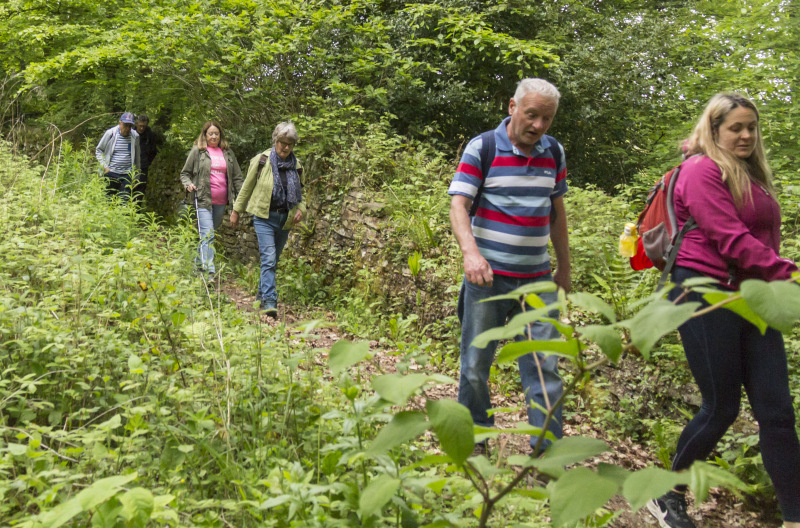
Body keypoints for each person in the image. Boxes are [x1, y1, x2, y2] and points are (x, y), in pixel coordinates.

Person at [647, 93, 800, 528]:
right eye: (736, 127)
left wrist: (776, 277)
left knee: (777, 412)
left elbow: (763, 242)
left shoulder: (753, 176)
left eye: (752, 127)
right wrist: (790, 274)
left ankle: (794, 516)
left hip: (753, 297)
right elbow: (730, 239)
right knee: (721, 406)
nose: (746, 135)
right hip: (704, 293)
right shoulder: (700, 170)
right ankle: (667, 491)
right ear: (714, 130)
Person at [448, 78, 570, 455]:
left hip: (537, 281)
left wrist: (564, 267)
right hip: (488, 279)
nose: (538, 125)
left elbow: (556, 211)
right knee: (474, 363)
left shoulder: (554, 152)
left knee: (544, 367)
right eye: (532, 115)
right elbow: (458, 205)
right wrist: (471, 253)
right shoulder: (482, 147)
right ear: (512, 107)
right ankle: (476, 436)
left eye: (546, 119)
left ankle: (547, 455)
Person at [230, 122, 305, 318]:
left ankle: (261, 297)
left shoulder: (297, 166)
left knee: (272, 261)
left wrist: (301, 209)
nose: (286, 147)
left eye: (290, 144)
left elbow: (301, 194)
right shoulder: (261, 161)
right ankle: (270, 303)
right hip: (263, 216)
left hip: (285, 219)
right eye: (282, 142)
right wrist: (236, 210)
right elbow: (246, 187)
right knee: (269, 258)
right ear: (275, 141)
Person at [179, 121, 243, 276]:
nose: (214, 136)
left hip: (221, 201)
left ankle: (197, 266)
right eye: (210, 134)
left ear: (220, 135)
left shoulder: (227, 153)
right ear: (205, 135)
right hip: (202, 199)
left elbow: (237, 178)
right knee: (208, 235)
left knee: (207, 235)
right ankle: (209, 272)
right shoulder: (198, 152)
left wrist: (241, 199)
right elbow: (184, 173)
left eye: (216, 133)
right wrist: (188, 184)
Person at [95, 112, 141, 200]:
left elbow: (137, 158)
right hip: (111, 173)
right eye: (125, 125)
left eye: (130, 126)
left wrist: (136, 177)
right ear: (120, 123)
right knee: (108, 200)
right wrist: (105, 166)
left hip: (127, 175)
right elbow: (99, 150)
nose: (127, 128)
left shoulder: (135, 136)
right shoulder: (110, 133)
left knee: (123, 203)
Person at [133, 114, 159, 200]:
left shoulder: (149, 135)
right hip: (130, 166)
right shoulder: (131, 133)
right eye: (140, 126)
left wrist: (147, 162)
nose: (142, 128)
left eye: (144, 126)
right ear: (136, 124)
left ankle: (137, 210)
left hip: (143, 167)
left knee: (140, 191)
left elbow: (153, 151)